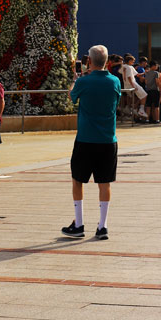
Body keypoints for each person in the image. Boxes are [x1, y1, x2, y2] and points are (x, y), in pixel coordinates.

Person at [62, 44, 121, 240]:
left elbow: (71, 97)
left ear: (89, 61)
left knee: (78, 180)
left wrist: (76, 79)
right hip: (108, 139)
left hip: (86, 139)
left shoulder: (83, 82)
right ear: (107, 61)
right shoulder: (114, 81)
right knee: (104, 183)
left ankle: (79, 224)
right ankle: (102, 226)